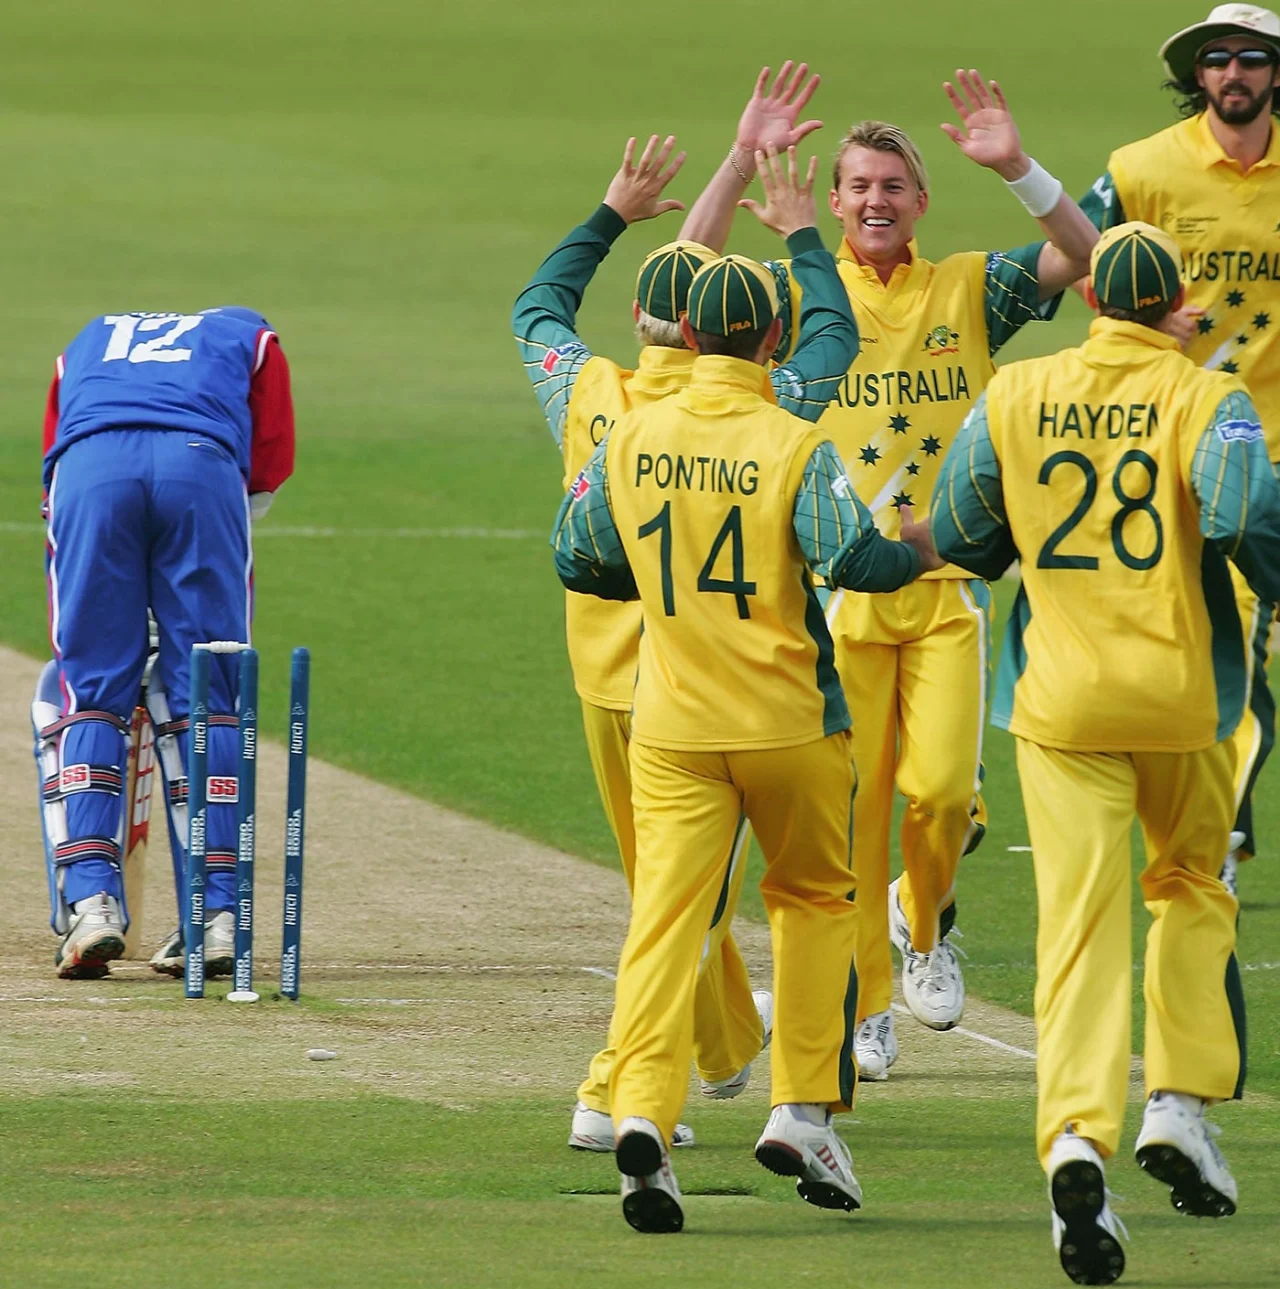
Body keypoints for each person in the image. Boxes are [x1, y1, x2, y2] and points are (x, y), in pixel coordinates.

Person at [677, 68, 1097, 1079]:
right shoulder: (792, 290)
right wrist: (741, 158)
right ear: (831, 200)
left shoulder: (966, 288)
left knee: (942, 793)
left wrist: (1017, 167)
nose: (873, 200)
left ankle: (925, 921)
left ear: (919, 202)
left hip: (945, 587)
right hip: (832, 596)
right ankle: (864, 1002)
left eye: (891, 187)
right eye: (856, 184)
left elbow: (1091, 263)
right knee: (856, 817)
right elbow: (685, 268)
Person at [552, 250, 942, 1233]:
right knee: (814, 901)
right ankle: (801, 1107)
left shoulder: (630, 436)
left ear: (684, 334)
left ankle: (640, 1106)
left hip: (674, 725)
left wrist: (656, 579)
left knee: (666, 921)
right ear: (771, 339)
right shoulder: (791, 439)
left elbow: (575, 553)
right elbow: (853, 555)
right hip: (788, 724)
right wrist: (923, 545)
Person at [932, 223, 1280, 1286]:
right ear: (1173, 299)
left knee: (1076, 925)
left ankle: (1074, 1137)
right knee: (1188, 884)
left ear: (1090, 298)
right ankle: (1175, 1101)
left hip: (1061, 704)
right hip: (1182, 700)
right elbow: (1242, 517)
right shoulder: (1206, 397)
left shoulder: (1016, 390)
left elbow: (959, 527)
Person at [513, 70, 854, 1153]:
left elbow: (538, 308)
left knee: (669, 898)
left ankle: (695, 1060)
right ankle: (624, 1079)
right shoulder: (759, 406)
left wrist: (613, 212)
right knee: (683, 900)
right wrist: (765, 192)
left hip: (598, 683)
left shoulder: (592, 390)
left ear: (645, 320)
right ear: (742, 335)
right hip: (695, 684)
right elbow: (816, 344)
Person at [1079, 4, 1280, 897]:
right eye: (1218, 59)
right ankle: (1194, 832)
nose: (1233, 72)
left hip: (1268, 454)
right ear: (1196, 75)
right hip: (1162, 446)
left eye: (1251, 58)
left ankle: (1217, 843)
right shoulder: (1139, 170)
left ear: (1275, 72)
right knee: (1182, 653)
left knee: (1247, 654)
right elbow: (1076, 260)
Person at [35, 307, 295, 978]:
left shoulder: (86, 335)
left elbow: (53, 463)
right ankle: (214, 919)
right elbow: (266, 468)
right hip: (199, 468)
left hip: (89, 471)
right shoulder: (250, 334)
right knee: (206, 691)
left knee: (89, 689)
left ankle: (91, 904)